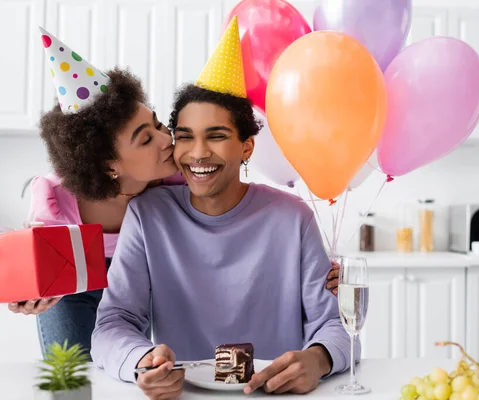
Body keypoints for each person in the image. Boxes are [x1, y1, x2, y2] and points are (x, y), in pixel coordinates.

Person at [91, 17, 353, 399]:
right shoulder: (149, 215)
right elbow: (112, 323)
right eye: (185, 137)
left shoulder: (293, 218)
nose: (198, 153)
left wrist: (317, 359)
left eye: (216, 136)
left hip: (275, 393)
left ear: (246, 147)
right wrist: (140, 360)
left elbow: (337, 325)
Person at [7, 28, 183, 357]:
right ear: (109, 165)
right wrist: (29, 291)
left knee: (124, 374)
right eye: (146, 139)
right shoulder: (54, 197)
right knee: (74, 378)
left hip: (135, 285)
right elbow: (39, 275)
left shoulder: (177, 182)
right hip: (73, 290)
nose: (166, 140)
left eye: (158, 124)